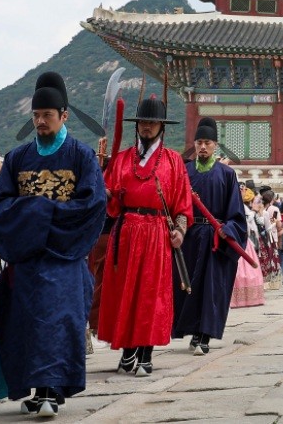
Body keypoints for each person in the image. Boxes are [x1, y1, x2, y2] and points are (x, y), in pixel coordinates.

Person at [0, 73, 106, 415]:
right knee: (28, 324)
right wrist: (38, 213)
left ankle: (52, 388)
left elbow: (93, 206)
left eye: (47, 115)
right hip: (28, 258)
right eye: (36, 115)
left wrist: (38, 214)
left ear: (63, 115)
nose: (40, 121)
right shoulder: (19, 158)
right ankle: (39, 390)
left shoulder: (81, 156)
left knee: (59, 321)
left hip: (64, 257)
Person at [100, 96, 193, 378]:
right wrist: (100, 180)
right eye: (143, 122)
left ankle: (147, 352)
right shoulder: (121, 159)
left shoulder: (173, 161)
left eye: (153, 122)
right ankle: (128, 350)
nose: (147, 127)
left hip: (156, 233)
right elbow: (111, 200)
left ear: (161, 127)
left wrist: (179, 230)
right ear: (136, 125)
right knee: (125, 291)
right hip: (126, 230)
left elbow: (182, 202)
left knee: (152, 295)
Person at [172, 118, 246, 356]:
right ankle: (194, 331)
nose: (203, 147)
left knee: (210, 288)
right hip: (191, 237)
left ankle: (204, 335)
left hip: (215, 238)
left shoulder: (226, 175)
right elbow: (174, 206)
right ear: (194, 144)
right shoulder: (184, 172)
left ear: (215, 145)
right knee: (189, 286)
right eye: (199, 142)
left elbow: (236, 213)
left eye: (208, 143)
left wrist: (228, 229)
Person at [231, 195, 266, 308]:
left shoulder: (245, 207)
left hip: (245, 241)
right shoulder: (234, 205)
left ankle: (249, 297)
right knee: (238, 272)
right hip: (236, 239)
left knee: (248, 271)